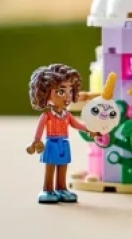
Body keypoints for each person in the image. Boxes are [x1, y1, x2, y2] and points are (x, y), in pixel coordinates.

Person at [27, 63, 87, 204]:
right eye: (61, 92)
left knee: (63, 166)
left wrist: (90, 129)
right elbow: (39, 130)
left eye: (70, 91)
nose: (67, 97)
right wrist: (36, 141)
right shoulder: (47, 115)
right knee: (50, 167)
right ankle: (47, 189)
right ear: (44, 94)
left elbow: (77, 125)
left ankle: (61, 188)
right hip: (51, 143)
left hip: (64, 144)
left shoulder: (67, 115)